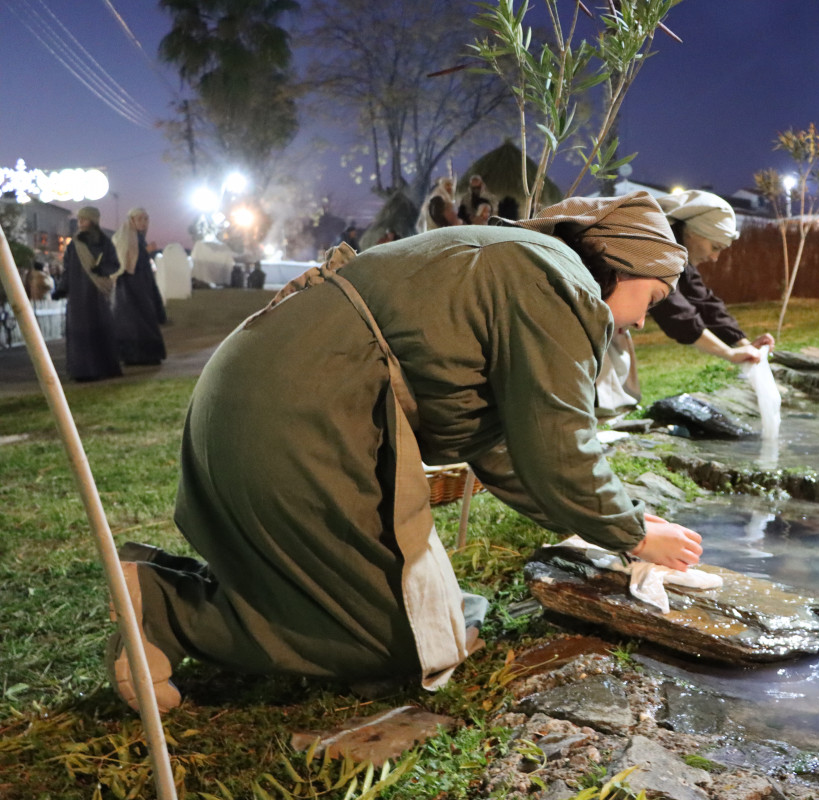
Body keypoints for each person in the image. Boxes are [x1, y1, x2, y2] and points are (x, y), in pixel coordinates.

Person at [106, 191, 704, 712]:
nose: (644, 323)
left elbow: (503, 447)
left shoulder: (525, 265)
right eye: (651, 299)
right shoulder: (562, 287)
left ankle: (171, 595)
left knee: (447, 618)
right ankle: (167, 610)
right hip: (299, 411)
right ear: (620, 268)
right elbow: (558, 445)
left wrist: (607, 524)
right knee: (396, 643)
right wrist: (632, 536)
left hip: (263, 386)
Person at [652, 190, 775, 364]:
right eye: (715, 247)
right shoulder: (654, 247)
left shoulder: (678, 250)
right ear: (693, 232)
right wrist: (728, 353)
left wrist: (742, 343)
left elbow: (701, 300)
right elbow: (673, 309)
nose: (714, 258)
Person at [51, 206, 122, 382]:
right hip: (77, 297)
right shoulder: (74, 245)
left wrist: (101, 269)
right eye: (80, 219)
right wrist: (61, 288)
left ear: (93, 221)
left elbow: (115, 264)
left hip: (96, 295)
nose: (81, 222)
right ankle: (82, 371)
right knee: (79, 334)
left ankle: (103, 368)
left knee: (99, 331)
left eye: (85, 219)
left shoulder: (104, 242)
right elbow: (68, 270)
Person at [111, 207, 167, 366]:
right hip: (129, 288)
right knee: (132, 322)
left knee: (146, 319)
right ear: (132, 221)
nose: (143, 222)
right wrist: (145, 251)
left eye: (146, 219)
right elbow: (125, 260)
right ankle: (134, 356)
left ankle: (148, 355)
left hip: (142, 285)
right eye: (140, 219)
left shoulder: (139, 238)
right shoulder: (124, 237)